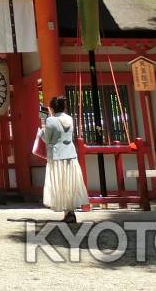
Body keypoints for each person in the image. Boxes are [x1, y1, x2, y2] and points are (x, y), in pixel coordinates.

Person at [40, 95, 89, 223]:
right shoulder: (70, 118)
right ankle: (71, 212)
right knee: (70, 184)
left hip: (57, 156)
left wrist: (41, 134)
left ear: (52, 108)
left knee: (61, 185)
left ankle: (68, 213)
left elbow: (48, 140)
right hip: (71, 155)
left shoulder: (50, 121)